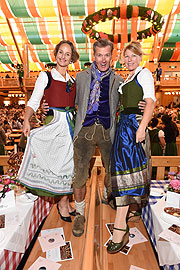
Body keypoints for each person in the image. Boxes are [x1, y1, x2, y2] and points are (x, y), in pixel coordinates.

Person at [71, 39, 145, 238]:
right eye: (99, 55)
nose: (103, 59)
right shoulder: (80, 77)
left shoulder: (120, 80)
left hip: (108, 131)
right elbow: (70, 102)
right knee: (79, 175)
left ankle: (106, 195)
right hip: (84, 132)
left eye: (106, 55)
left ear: (111, 56)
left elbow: (131, 101)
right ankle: (79, 213)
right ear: (93, 56)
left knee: (112, 170)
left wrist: (145, 107)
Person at [18, 40, 79, 222]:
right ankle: (61, 203)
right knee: (58, 164)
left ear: (71, 58)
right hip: (54, 124)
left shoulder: (73, 80)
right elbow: (34, 100)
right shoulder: (46, 76)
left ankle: (65, 201)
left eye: (67, 54)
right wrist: (27, 119)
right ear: (55, 53)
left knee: (68, 165)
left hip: (70, 125)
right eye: (61, 52)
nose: (63, 56)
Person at [107, 41, 155, 254]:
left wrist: (142, 127)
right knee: (122, 173)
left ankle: (120, 226)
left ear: (140, 57)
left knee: (128, 174)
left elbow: (150, 101)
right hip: (123, 127)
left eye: (133, 56)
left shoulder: (144, 74)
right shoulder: (127, 77)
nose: (129, 60)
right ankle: (127, 215)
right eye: (126, 56)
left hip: (134, 126)